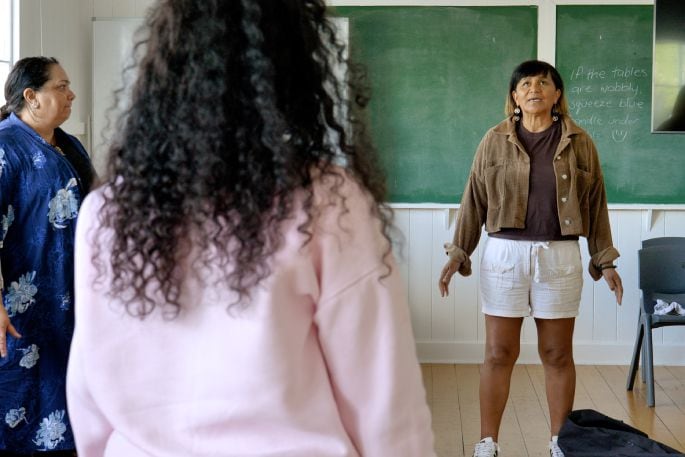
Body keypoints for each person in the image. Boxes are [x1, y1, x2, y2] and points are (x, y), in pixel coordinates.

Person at [65, 1, 436, 456]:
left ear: (163, 71)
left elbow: (88, 392)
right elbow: (383, 402)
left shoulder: (106, 211)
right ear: (295, 71)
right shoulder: (326, 202)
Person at [438, 60, 623, 457]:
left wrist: (604, 260)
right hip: (504, 255)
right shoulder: (493, 139)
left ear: (557, 95)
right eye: (525, 84)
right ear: (514, 97)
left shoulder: (580, 141)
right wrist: (458, 254)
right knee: (498, 352)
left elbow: (596, 204)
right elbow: (473, 198)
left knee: (557, 354)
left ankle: (561, 442)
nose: (534, 88)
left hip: (559, 256)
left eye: (544, 82)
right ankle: (488, 442)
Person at [0, 57, 95, 455]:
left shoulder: (68, 143)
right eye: (61, 86)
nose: (71, 94)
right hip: (24, 306)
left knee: (70, 397)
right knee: (20, 404)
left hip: (71, 299)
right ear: (31, 97)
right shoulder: (6, 146)